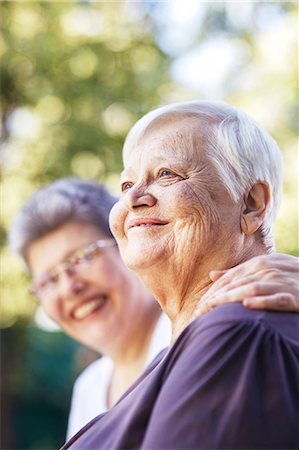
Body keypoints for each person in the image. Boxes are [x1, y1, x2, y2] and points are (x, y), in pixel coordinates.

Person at [60, 100, 299, 450]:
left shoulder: (240, 332)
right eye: (126, 185)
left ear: (251, 204)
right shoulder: (180, 351)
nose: (134, 198)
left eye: (166, 174)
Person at [9, 180, 297, 442]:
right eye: (49, 280)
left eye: (81, 258)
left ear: (128, 242)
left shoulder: (210, 323)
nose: (69, 287)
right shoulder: (90, 387)